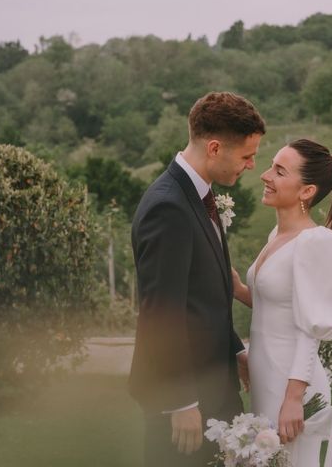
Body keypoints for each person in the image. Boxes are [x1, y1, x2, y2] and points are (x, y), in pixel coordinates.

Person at [129, 91, 266, 467]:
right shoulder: (167, 207)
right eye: (247, 156)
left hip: (214, 384)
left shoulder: (199, 197)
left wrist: (235, 349)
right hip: (184, 404)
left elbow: (203, 300)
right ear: (216, 147)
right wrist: (182, 401)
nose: (252, 166)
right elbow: (163, 311)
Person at [232, 139, 332, 467]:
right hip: (265, 377)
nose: (265, 175)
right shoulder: (276, 237)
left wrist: (294, 398)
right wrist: (236, 288)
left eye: (279, 171)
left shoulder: (317, 242)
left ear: (307, 191)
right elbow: (275, 306)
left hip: (291, 383)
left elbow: (311, 328)